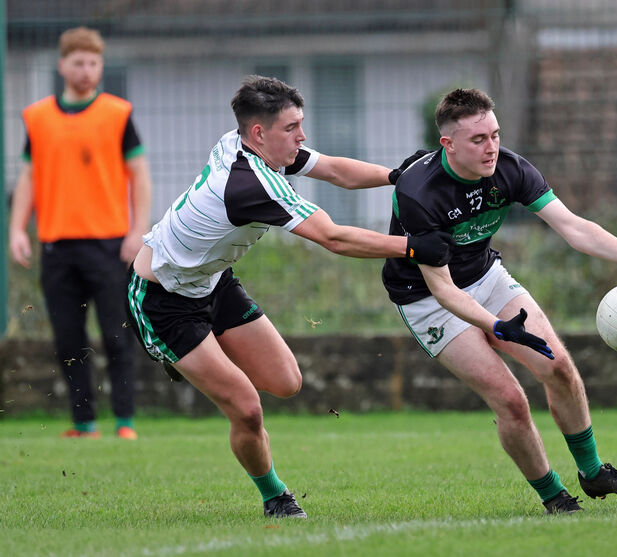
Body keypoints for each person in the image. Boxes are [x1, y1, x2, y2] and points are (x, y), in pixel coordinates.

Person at [126, 75, 452, 519]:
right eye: (292, 127)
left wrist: (397, 176)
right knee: (246, 408)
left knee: (286, 382)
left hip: (213, 281)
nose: (302, 136)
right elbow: (333, 238)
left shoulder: (247, 143)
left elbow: (334, 170)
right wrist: (411, 247)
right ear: (259, 133)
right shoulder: (251, 183)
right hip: (162, 300)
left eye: (302, 124)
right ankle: (275, 497)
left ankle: (201, 358)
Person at [382, 88, 617, 514]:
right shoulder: (419, 192)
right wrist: (494, 326)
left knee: (558, 367)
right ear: (447, 144)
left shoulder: (510, 168)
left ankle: (594, 471)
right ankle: (554, 496)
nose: (491, 147)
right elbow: (444, 290)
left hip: (485, 275)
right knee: (510, 400)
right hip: (428, 298)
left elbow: (573, 227)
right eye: (478, 140)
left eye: (495, 135)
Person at [8, 26, 152, 440]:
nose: (87, 70)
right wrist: (18, 228)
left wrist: (137, 229)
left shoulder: (118, 114)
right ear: (62, 66)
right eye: (79, 62)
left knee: (117, 336)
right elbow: (29, 177)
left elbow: (139, 175)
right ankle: (83, 423)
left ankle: (125, 422)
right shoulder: (37, 118)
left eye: (94, 62)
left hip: (110, 244)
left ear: (101, 66)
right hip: (56, 246)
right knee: (69, 341)